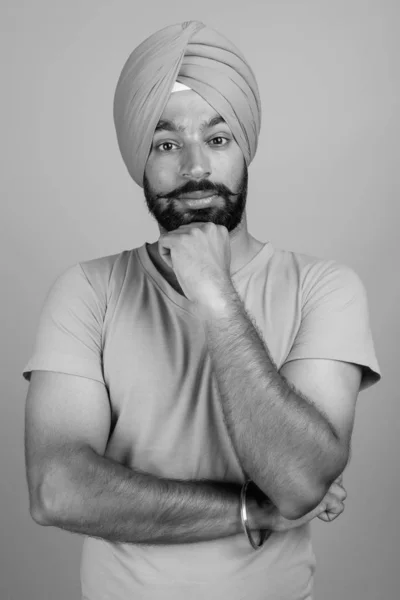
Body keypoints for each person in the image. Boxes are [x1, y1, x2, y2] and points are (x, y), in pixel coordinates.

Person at [23, 20, 381, 600]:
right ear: (140, 159)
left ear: (246, 149)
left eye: (217, 140)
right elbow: (57, 491)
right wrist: (249, 509)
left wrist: (214, 294)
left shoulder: (325, 287)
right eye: (166, 144)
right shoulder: (87, 290)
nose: (194, 168)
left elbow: (299, 480)